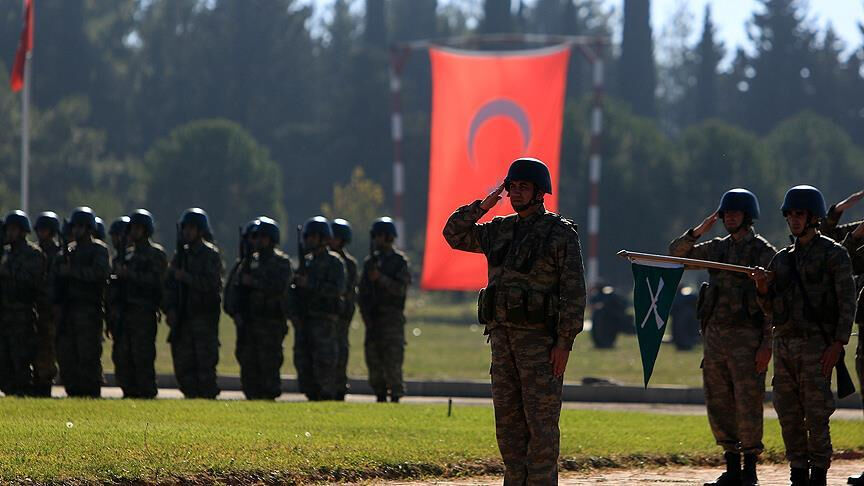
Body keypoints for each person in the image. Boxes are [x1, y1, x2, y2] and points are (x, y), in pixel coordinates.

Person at [443, 157, 586, 485]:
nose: (517, 192)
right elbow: (453, 233)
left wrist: (565, 342)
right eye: (513, 187)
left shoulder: (559, 234)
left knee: (541, 426)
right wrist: (485, 204)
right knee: (508, 426)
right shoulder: (499, 230)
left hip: (540, 346)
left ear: (540, 192)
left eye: (524, 187)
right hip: (503, 344)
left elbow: (574, 293)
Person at [750, 185, 857, 486]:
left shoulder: (834, 255)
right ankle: (798, 471)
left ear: (813, 218)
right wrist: (761, 287)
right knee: (787, 410)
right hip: (785, 345)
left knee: (817, 412)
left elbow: (847, 302)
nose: (794, 220)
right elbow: (770, 307)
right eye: (790, 215)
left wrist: (838, 343)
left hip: (817, 346)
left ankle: (819, 473)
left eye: (800, 214)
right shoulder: (782, 260)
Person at [669, 188, 777, 486]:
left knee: (747, 403)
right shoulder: (717, 248)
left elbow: (773, 306)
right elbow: (677, 255)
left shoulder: (763, 253)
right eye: (725, 214)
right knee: (719, 403)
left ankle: (750, 470)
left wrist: (766, 345)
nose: (729, 218)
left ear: (747, 217)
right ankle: (731, 467)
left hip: (747, 341)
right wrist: (701, 229)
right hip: (715, 339)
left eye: (734, 213)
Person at [163, 208, 223, 399]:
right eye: (185, 228)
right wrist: (170, 310)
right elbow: (169, 286)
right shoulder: (180, 256)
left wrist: (187, 278)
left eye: (192, 228)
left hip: (203, 319)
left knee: (204, 366)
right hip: (183, 319)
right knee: (183, 365)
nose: (187, 232)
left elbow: (213, 284)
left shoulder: (210, 255)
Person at [108, 209, 167, 399]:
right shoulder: (125, 255)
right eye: (132, 228)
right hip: (124, 313)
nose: (134, 232)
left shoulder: (155, 254)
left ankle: (146, 392)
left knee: (142, 356)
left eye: (138, 228)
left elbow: (156, 281)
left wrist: (130, 275)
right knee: (122, 356)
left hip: (143, 312)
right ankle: (129, 391)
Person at [233, 217, 292, 400]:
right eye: (255, 237)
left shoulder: (281, 262)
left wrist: (255, 282)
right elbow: (236, 287)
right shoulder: (249, 262)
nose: (257, 241)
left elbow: (280, 286)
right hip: (251, 321)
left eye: (262, 237)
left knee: (269, 363)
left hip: (271, 322)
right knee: (249, 364)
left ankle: (268, 395)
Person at [55, 207, 110, 398]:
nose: (76, 231)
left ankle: (91, 392)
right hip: (69, 311)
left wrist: (73, 272)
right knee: (67, 355)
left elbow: (100, 274)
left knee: (88, 355)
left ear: (89, 229)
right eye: (74, 227)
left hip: (88, 311)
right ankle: (73, 391)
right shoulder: (68, 251)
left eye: (80, 227)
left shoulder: (99, 250)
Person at [292, 216, 346, 401]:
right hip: (306, 319)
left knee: (324, 361)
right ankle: (311, 394)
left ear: (323, 238)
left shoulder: (335, 263)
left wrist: (310, 284)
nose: (308, 240)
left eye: (312, 236)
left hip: (324, 321)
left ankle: (326, 394)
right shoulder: (306, 262)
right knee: (303, 360)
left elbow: (337, 289)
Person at [358, 217, 411, 403]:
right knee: (373, 358)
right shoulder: (369, 262)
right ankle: (379, 393)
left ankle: (395, 393)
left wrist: (380, 278)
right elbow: (362, 292)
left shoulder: (399, 262)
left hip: (392, 319)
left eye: (379, 236)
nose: (376, 240)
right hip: (374, 318)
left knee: (392, 358)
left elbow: (400, 289)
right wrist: (365, 315)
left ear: (388, 237)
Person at [0, 211, 44, 396]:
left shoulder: (33, 254)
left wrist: (6, 271)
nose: (9, 234)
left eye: (13, 230)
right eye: (8, 230)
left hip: (22, 315)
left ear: (22, 231)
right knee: (4, 361)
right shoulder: (5, 254)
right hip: (4, 315)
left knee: (21, 360)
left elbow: (32, 281)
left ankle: (23, 393)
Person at [32, 211, 62, 397]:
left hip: (50, 308)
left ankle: (44, 384)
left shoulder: (58, 254)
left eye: (46, 230)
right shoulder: (32, 253)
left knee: (47, 349)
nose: (42, 233)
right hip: (33, 307)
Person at [329, 218, 358, 400]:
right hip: (328, 314)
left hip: (341, 314)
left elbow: (349, 290)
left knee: (340, 351)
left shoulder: (349, 264)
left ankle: (339, 386)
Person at [588, 284, 628, 349]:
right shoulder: (603, 296)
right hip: (604, 318)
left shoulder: (609, 296)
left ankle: (606, 344)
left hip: (609, 318)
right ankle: (602, 344)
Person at [669, 285, 700, 351]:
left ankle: (686, 344)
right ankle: (686, 344)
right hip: (682, 318)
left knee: (683, 330)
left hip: (682, 318)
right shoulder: (687, 298)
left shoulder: (680, 298)